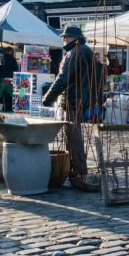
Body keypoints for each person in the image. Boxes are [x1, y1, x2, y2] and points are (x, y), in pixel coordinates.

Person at [42, 26, 93, 190]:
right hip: (79, 98)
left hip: (73, 100)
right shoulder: (85, 50)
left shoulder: (75, 52)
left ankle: (78, 171)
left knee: (73, 136)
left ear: (75, 37)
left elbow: (63, 78)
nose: (64, 39)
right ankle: (76, 169)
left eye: (67, 37)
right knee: (73, 135)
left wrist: (47, 97)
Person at [0, 46, 19, 111]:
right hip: (10, 79)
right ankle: (8, 108)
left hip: (1, 78)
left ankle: (0, 108)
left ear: (5, 51)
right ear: (11, 51)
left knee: (0, 93)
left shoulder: (0, 58)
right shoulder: (13, 59)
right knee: (9, 93)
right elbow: (16, 69)